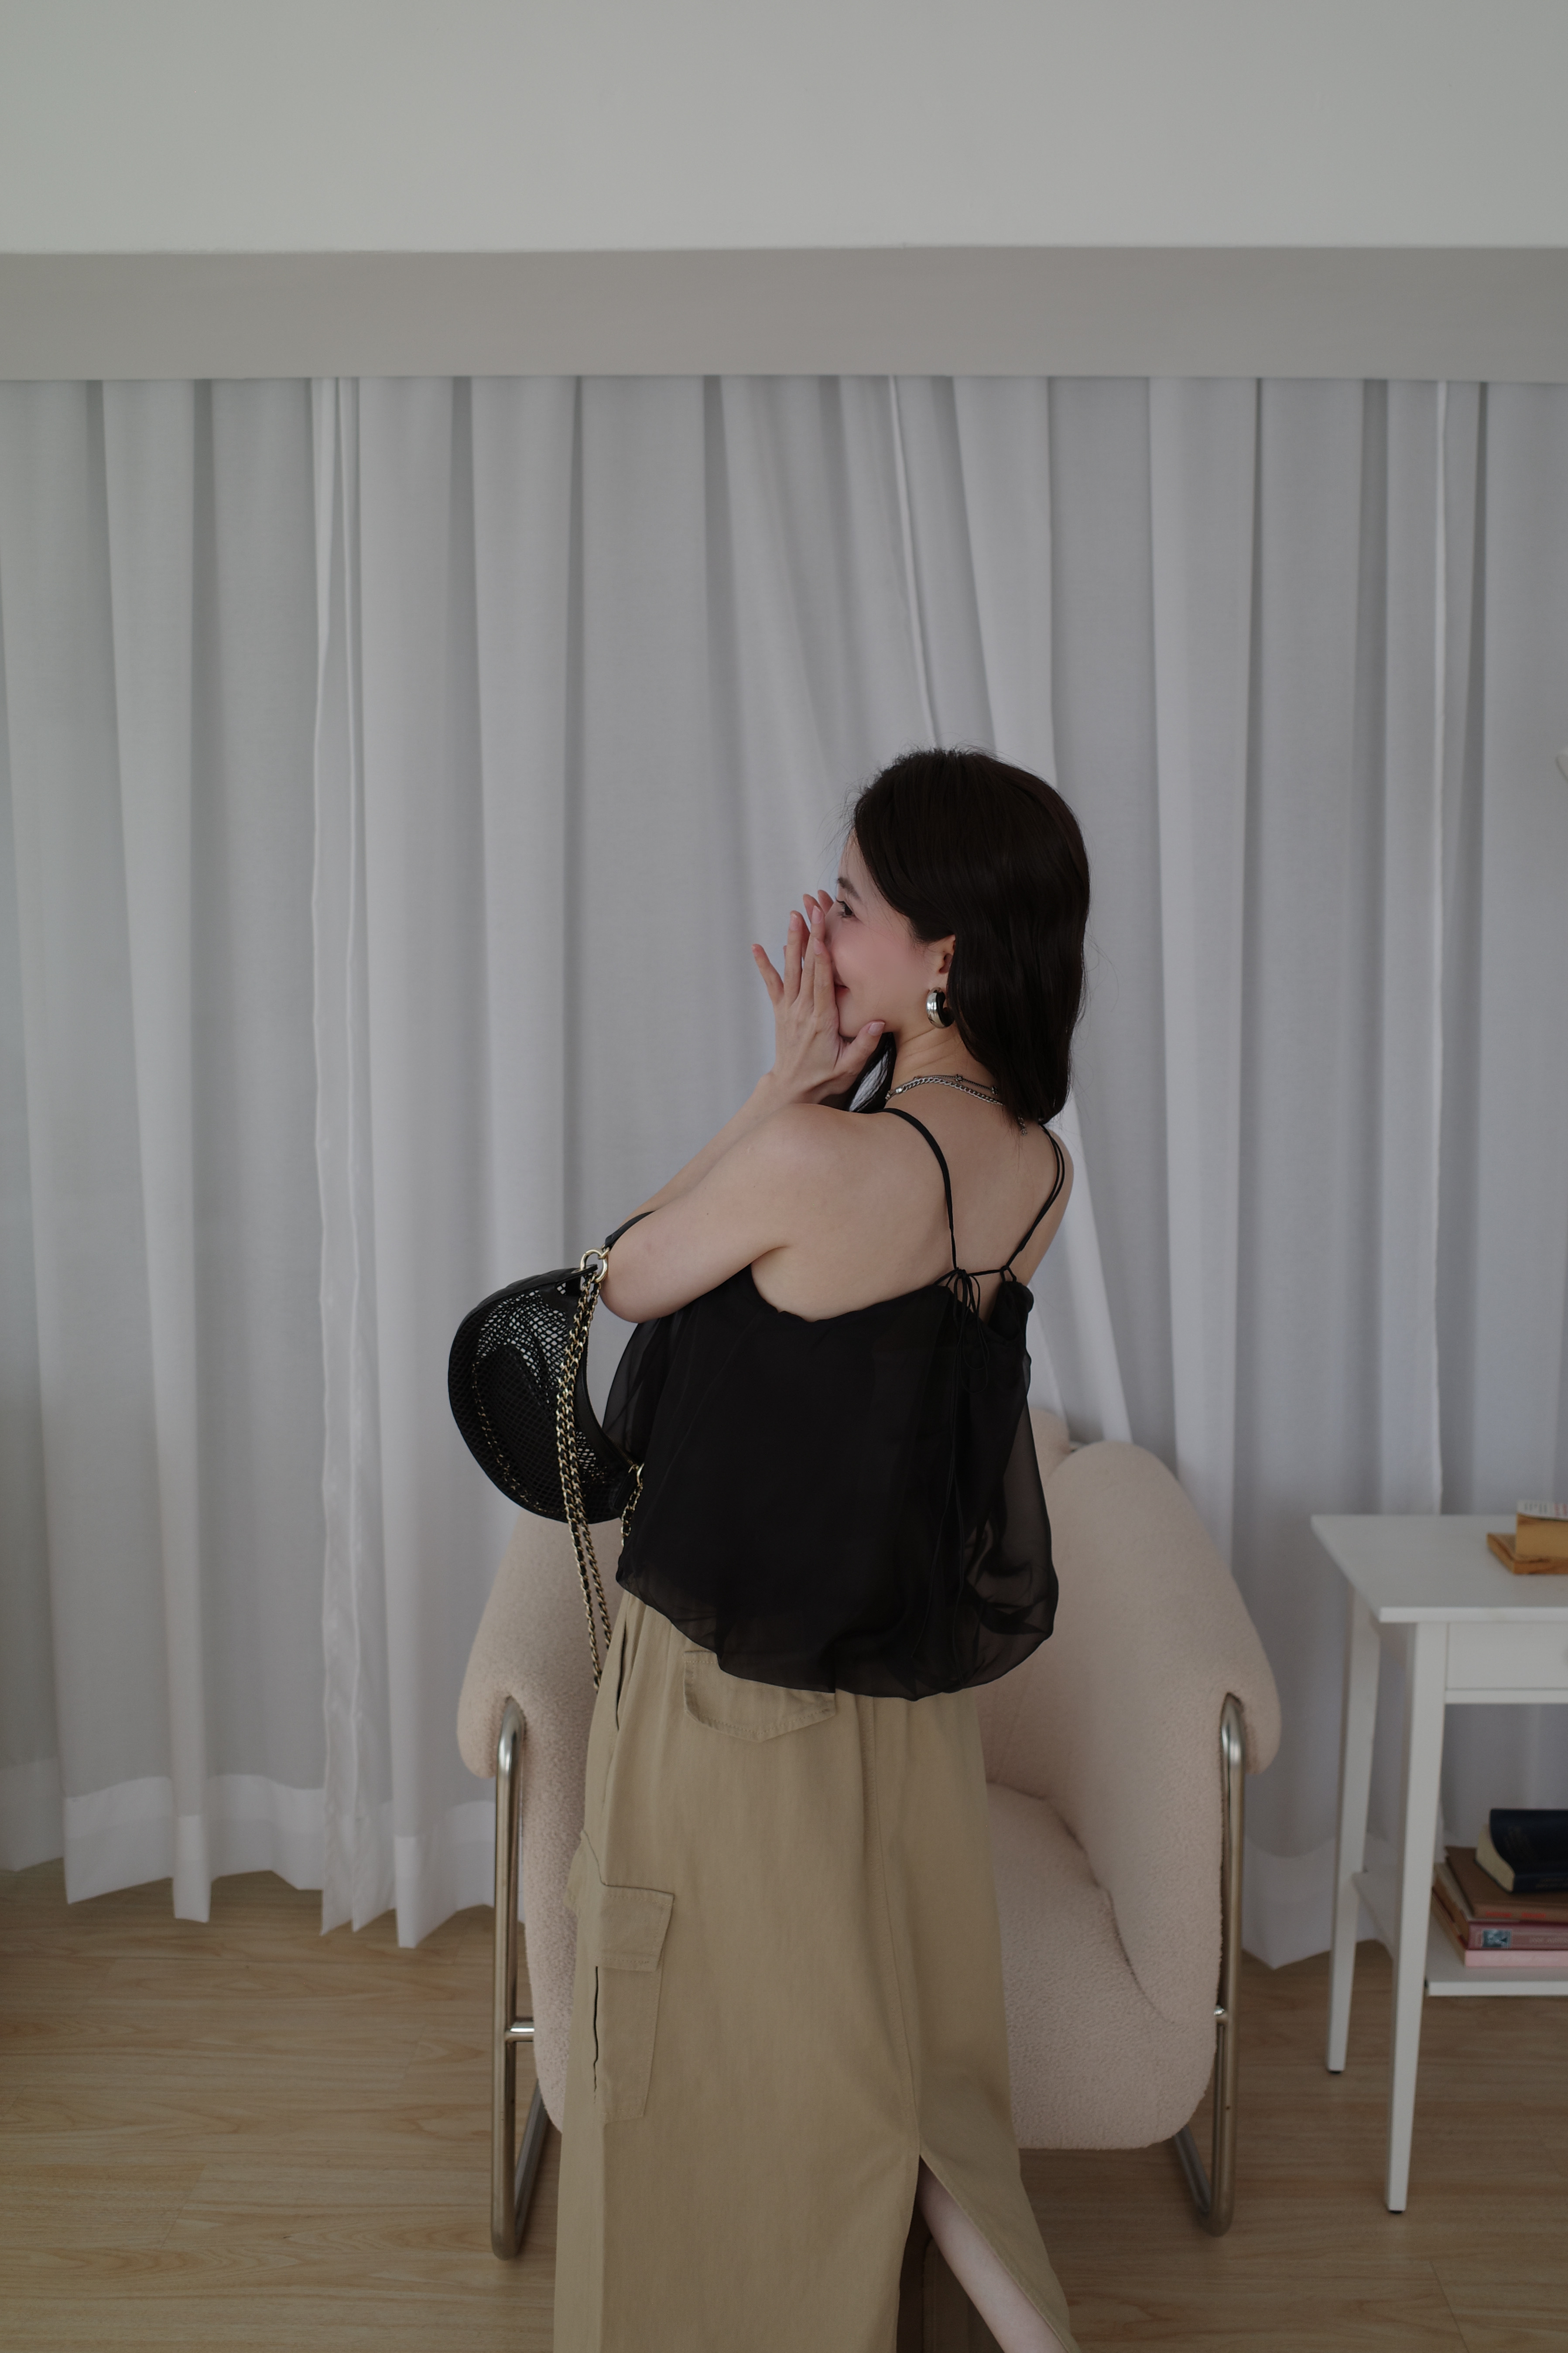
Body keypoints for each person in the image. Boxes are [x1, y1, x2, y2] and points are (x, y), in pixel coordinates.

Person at [553, 747, 1090, 2353]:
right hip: (900, 1700)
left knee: (707, 2063)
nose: (815, 925)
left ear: (941, 952)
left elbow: (611, 1281)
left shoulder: (815, 1159)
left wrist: (776, 1084)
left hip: (735, 1703)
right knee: (903, 2077)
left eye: (848, 899)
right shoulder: (1035, 1166)